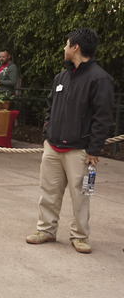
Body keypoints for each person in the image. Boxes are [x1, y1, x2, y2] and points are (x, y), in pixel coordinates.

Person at [26, 28, 114, 254]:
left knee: (82, 195)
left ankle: (80, 236)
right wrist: (47, 133)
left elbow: (103, 117)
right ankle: (46, 230)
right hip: (53, 146)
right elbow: (50, 107)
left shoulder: (100, 79)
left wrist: (94, 149)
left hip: (81, 151)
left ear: (75, 47)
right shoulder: (61, 77)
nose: (64, 48)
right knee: (48, 192)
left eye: (66, 44)